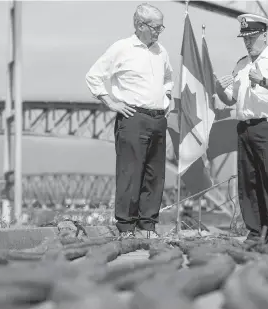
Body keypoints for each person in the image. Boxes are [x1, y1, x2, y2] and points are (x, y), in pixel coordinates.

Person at [85, 3, 173, 239]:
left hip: (157, 119)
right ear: (140, 25)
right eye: (156, 27)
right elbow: (93, 76)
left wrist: (167, 97)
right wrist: (111, 102)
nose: (159, 31)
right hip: (132, 118)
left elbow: (168, 77)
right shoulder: (121, 48)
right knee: (130, 173)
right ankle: (126, 227)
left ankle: (148, 226)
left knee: (155, 175)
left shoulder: (161, 51)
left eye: (161, 27)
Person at [215, 13, 268, 243]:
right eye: (245, 38)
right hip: (245, 128)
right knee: (248, 182)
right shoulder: (241, 64)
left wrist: (263, 81)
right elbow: (230, 99)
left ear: (263, 35)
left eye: (251, 37)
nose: (247, 42)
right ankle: (256, 232)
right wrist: (219, 88)